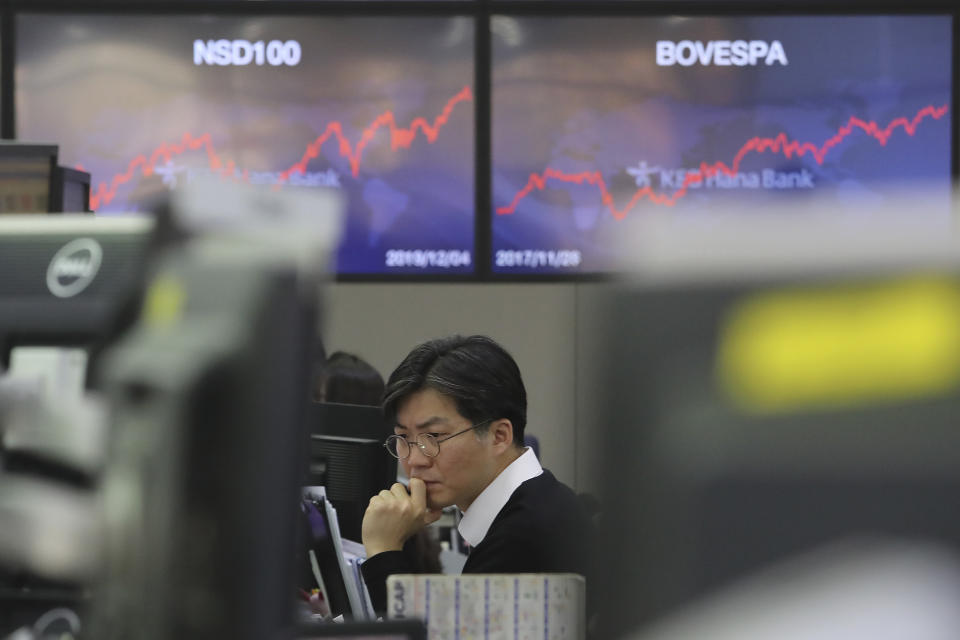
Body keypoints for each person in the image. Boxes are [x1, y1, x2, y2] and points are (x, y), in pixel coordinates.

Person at [359, 335, 594, 613]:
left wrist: (383, 549)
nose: (415, 460)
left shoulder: (520, 538)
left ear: (499, 436)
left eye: (433, 436)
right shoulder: (539, 502)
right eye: (403, 437)